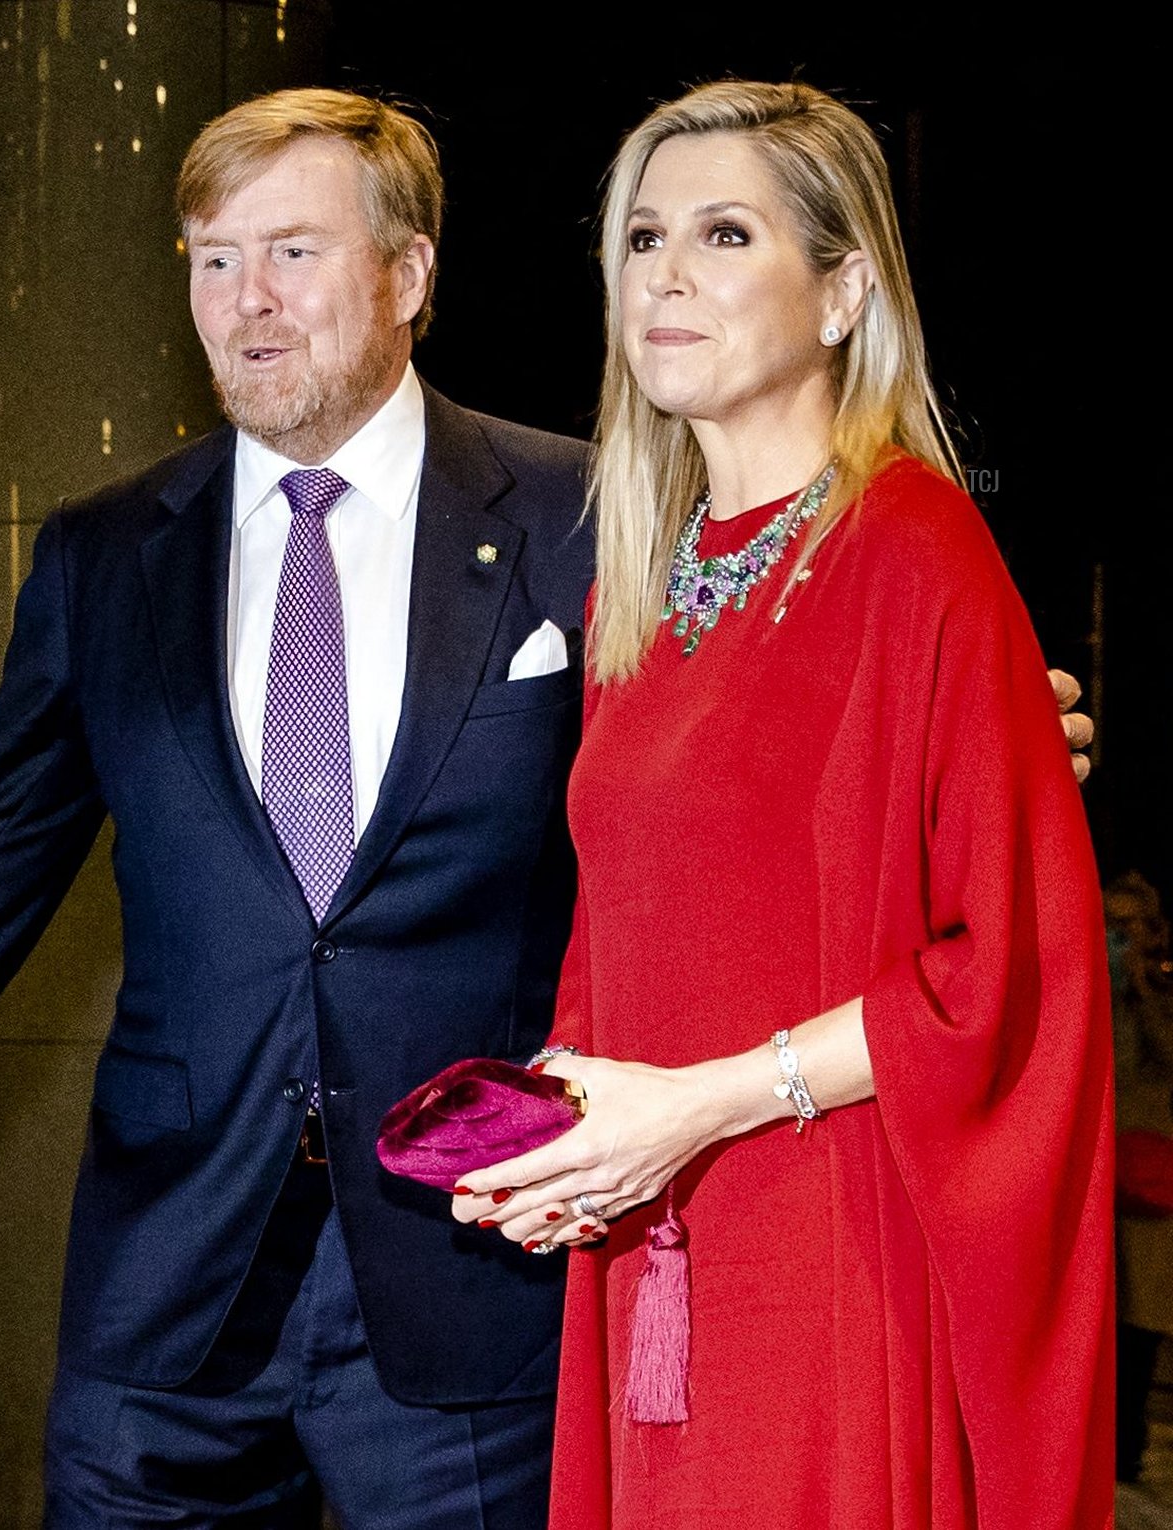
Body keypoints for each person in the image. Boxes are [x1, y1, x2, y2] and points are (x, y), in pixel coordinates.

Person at [452, 80, 1115, 1527]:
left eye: (725, 232)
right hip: (657, 1242)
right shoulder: (647, 583)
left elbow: (995, 970)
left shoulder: (917, 552)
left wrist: (686, 1109)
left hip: (833, 1248)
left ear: (844, 291)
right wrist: (557, 1134)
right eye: (640, 237)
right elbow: (626, 926)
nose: (665, 274)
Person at [0, 88, 593, 1527]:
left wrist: (973, 735)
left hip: (476, 1284)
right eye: (209, 257)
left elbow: (726, 794)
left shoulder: (581, 513)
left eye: (293, 253)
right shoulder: (101, 554)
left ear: (409, 275)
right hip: (165, 1308)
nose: (245, 301)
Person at [1107, 870, 1173, 1484]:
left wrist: (1143, 987)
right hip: (1088, 1163)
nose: (1116, 938)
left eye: (1129, 926)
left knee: (1138, 1321)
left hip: (1147, 1170)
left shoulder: (1160, 981)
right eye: (1109, 924)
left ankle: (1125, 1455)